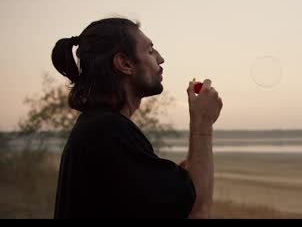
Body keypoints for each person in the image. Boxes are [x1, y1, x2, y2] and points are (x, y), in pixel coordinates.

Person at [51, 18, 223, 219]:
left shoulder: (98, 128)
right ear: (125, 64)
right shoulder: (108, 133)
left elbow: (179, 193)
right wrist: (202, 124)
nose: (161, 58)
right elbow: (197, 211)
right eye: (150, 51)